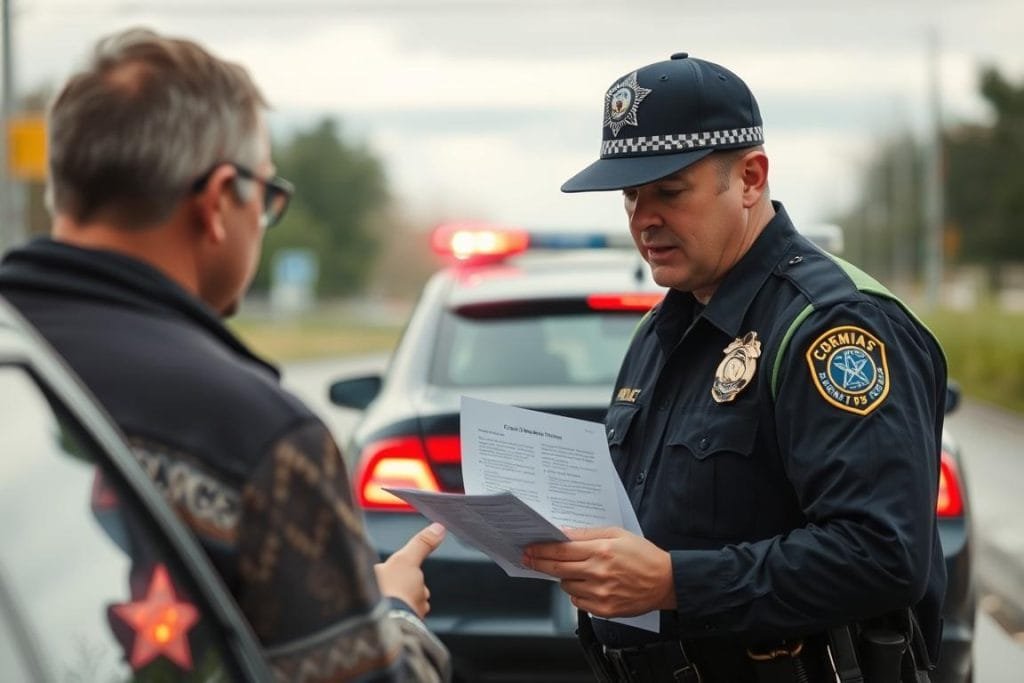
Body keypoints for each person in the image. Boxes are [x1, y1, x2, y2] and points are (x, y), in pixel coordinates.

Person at [0, 28, 450, 682]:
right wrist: (393, 615)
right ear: (216, 203)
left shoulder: (20, 359)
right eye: (265, 197)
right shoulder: (262, 437)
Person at [523, 52, 947, 682]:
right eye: (631, 196)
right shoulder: (662, 329)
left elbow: (882, 554)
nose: (643, 219)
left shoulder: (834, 327)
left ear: (750, 178)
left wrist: (675, 582)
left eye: (669, 191)